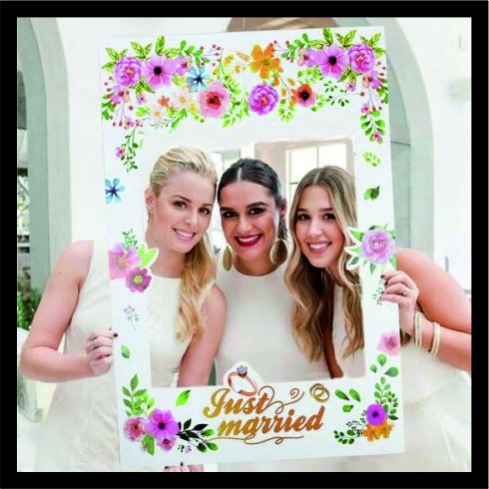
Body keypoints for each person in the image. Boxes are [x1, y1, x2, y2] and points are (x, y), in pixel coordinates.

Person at [20, 146, 226, 472]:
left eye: (204, 210)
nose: (192, 220)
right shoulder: (85, 260)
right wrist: (85, 364)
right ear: (150, 200)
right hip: (66, 457)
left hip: (142, 463)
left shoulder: (208, 300)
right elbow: (30, 360)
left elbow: (188, 401)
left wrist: (187, 462)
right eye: (180, 204)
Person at [285, 165, 471, 472]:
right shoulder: (322, 298)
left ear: (350, 217)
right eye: (303, 217)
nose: (313, 230)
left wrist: (414, 325)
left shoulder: (404, 266)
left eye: (328, 216)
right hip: (376, 462)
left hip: (444, 455)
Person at [214, 158, 333, 472]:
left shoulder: (314, 270)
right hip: (242, 463)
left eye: (256, 210)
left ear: (282, 207)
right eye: (229, 214)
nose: (243, 227)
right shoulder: (207, 280)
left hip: (322, 461)